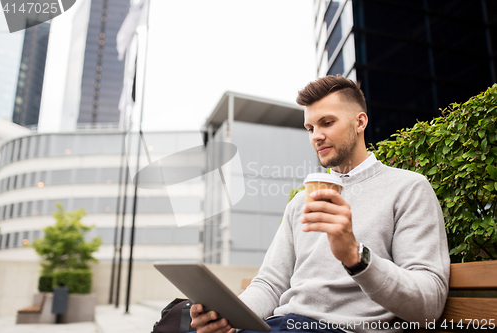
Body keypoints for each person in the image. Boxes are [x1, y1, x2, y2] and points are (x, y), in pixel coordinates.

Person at [190, 75, 450, 333]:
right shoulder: (301, 202)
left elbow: (429, 304)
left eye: (327, 123)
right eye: (310, 128)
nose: (316, 136)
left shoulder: (408, 189)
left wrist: (355, 256)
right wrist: (228, 321)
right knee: (182, 319)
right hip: (284, 326)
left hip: (340, 330)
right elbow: (270, 283)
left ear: (360, 122)